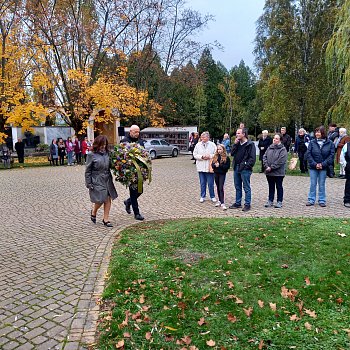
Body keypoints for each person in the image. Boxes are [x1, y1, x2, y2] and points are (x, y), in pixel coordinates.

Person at [85, 135, 118, 227]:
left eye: (105, 144)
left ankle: (106, 219)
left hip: (107, 179)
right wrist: (88, 183)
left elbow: (111, 165)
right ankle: (94, 211)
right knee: (100, 199)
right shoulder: (91, 155)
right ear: (97, 144)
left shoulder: (108, 153)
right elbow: (88, 170)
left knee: (108, 198)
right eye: (101, 144)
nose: (103, 146)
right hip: (97, 179)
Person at [121, 125, 146, 221]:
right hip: (130, 171)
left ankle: (128, 202)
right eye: (135, 132)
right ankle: (137, 213)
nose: (137, 134)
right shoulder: (124, 141)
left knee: (140, 191)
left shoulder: (140, 141)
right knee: (133, 191)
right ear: (130, 131)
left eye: (138, 132)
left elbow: (144, 153)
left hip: (139, 171)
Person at [306, 126, 335, 207]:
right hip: (313, 166)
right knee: (313, 183)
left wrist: (323, 164)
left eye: (318, 132)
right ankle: (311, 199)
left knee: (321, 184)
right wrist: (315, 164)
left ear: (323, 133)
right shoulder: (312, 142)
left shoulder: (330, 143)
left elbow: (331, 155)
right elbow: (309, 154)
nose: (317, 134)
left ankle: (322, 200)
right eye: (316, 132)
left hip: (324, 167)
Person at [229, 127, 256, 211]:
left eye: (238, 133)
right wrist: (235, 144)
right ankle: (238, 203)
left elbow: (252, 158)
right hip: (236, 167)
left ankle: (247, 204)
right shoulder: (237, 143)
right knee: (237, 186)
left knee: (246, 187)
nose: (237, 135)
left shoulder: (250, 144)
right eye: (236, 133)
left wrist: (246, 166)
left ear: (244, 134)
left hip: (245, 169)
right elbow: (232, 153)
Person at [263, 134, 288, 208]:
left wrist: (272, 167)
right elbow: (264, 157)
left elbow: (281, 161)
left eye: (277, 138)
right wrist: (266, 166)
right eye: (274, 138)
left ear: (280, 140)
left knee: (279, 186)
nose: (274, 140)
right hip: (269, 172)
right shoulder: (270, 147)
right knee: (271, 186)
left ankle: (279, 201)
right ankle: (270, 200)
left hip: (279, 173)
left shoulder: (283, 149)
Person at [193, 131, 217, 203]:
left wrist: (210, 156)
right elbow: (195, 154)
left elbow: (216, 154)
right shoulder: (198, 145)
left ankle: (212, 196)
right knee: (202, 183)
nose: (202, 138)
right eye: (201, 137)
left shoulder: (212, 145)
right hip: (201, 166)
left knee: (210, 183)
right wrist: (202, 157)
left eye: (204, 137)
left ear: (208, 137)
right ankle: (202, 196)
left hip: (209, 166)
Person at [211, 144, 230, 210]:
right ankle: (219, 200)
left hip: (222, 174)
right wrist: (214, 165)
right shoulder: (215, 156)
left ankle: (222, 202)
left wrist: (220, 165)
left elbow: (227, 167)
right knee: (217, 187)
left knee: (221, 187)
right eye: (218, 149)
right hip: (216, 173)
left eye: (220, 149)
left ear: (223, 150)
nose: (219, 151)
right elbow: (212, 165)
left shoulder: (226, 158)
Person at [340, 141, 350, 207]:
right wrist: (345, 164)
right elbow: (342, 155)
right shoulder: (347, 145)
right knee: (349, 184)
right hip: (349, 166)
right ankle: (347, 200)